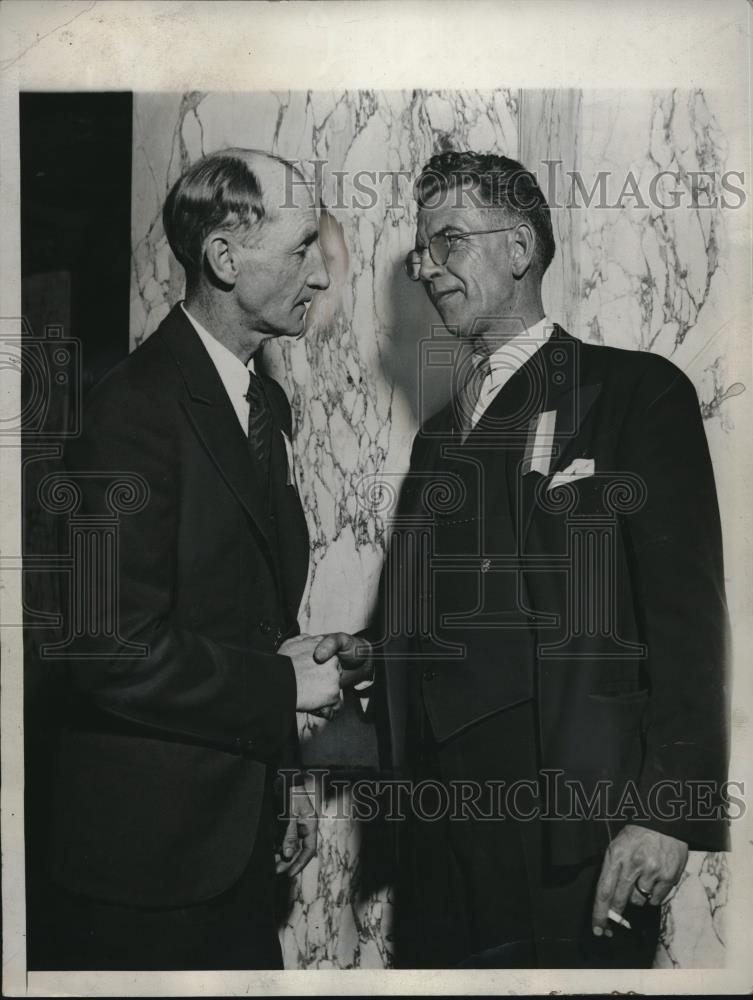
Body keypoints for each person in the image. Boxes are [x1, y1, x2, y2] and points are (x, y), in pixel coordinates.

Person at [319, 150, 731, 968]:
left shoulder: (635, 394)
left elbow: (686, 623)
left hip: (569, 831)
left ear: (519, 249)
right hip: (435, 827)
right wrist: (378, 652)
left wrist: (668, 813)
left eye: (448, 243)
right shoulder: (438, 436)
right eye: (419, 251)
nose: (427, 269)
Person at [37, 149, 343, 971]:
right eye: (301, 248)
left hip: (231, 838)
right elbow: (106, 649)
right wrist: (283, 688)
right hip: (143, 872)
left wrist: (284, 777)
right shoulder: (131, 408)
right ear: (224, 257)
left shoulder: (259, 402)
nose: (320, 275)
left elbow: (250, 617)